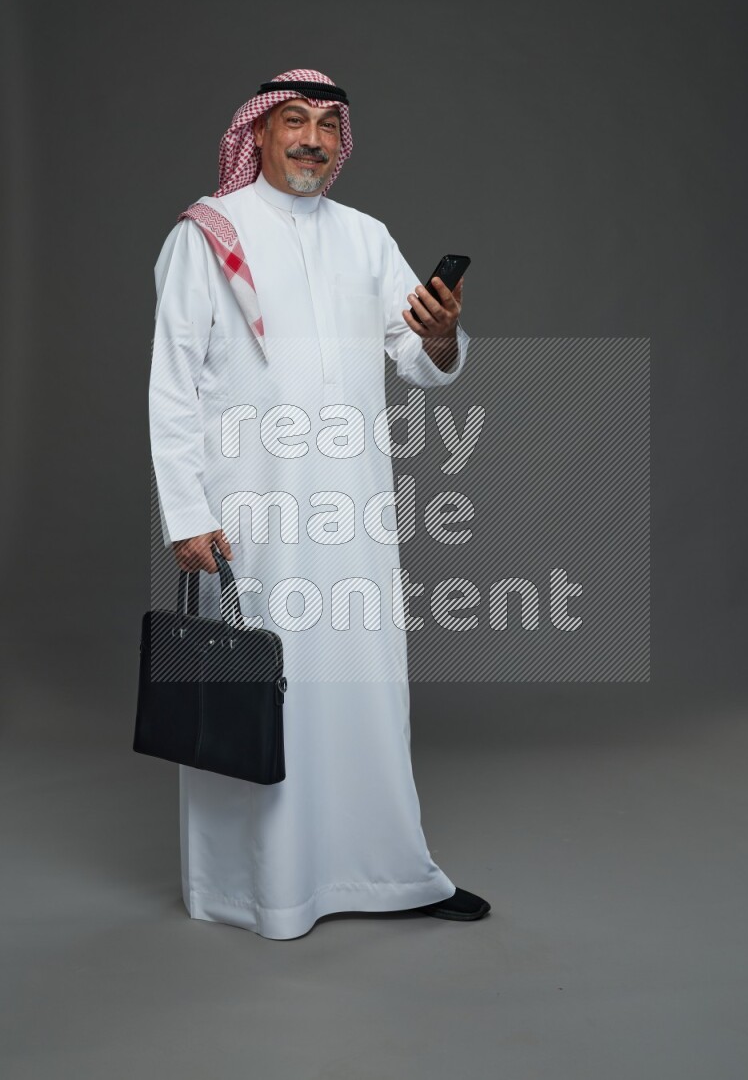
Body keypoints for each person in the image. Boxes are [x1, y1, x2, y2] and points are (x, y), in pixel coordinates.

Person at [148, 67, 490, 939]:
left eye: (327, 125)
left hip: (351, 507)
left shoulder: (367, 237)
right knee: (261, 687)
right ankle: (262, 889)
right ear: (256, 134)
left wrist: (442, 332)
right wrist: (186, 513)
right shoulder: (208, 234)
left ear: (341, 144)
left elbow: (415, 358)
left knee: (364, 688)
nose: (310, 138)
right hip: (251, 509)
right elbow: (173, 385)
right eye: (292, 121)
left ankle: (389, 871)